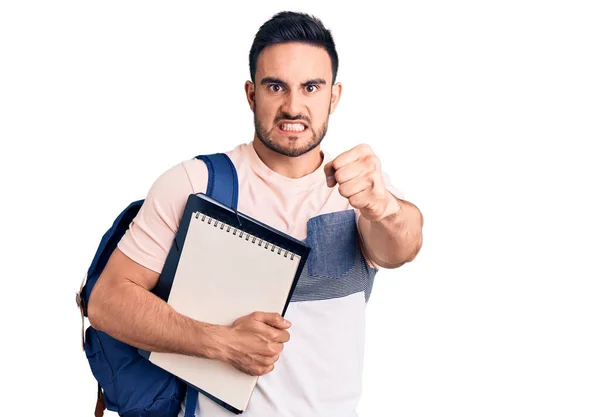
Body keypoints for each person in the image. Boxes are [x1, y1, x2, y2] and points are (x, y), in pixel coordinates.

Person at [87, 10, 423, 417]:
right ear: (251, 94)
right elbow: (106, 303)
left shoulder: (362, 188)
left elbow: (402, 248)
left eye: (311, 87)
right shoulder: (196, 183)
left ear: (334, 96)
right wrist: (219, 341)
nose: (293, 106)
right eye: (276, 86)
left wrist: (383, 206)